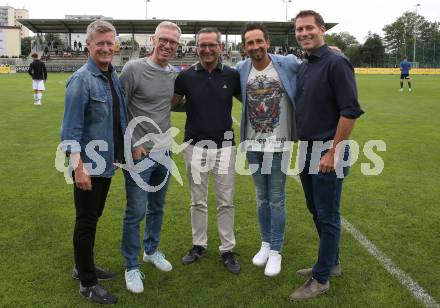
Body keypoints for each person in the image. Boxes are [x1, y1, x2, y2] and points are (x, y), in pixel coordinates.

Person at [289, 10, 364, 301]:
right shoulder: (307, 64)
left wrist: (333, 152)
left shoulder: (336, 62)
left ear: (321, 29)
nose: (304, 33)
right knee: (315, 209)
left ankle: (320, 279)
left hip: (328, 151)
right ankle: (330, 263)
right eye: (299, 29)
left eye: (309, 28)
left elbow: (350, 110)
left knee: (328, 214)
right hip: (307, 149)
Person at [60, 20, 128, 305]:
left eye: (109, 43)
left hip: (106, 163)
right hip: (87, 166)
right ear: (88, 45)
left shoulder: (112, 75)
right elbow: (70, 131)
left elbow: (116, 119)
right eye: (99, 43)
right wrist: (78, 167)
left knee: (93, 217)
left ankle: (82, 265)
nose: (105, 48)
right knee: (86, 222)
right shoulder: (81, 79)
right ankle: (87, 283)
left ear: (115, 45)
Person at [172, 27, 241, 274]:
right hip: (194, 146)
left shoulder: (233, 76)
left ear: (221, 47)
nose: (208, 49)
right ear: (196, 47)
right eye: (203, 45)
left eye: (212, 45)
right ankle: (199, 245)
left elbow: (251, 102)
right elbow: (171, 103)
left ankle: (227, 249)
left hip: (225, 148)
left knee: (226, 201)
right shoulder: (185, 76)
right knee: (197, 201)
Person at [119, 21, 181, 294]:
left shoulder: (172, 74)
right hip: (138, 155)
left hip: (164, 152)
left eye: (173, 42)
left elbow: (168, 105)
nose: (168, 45)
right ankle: (131, 266)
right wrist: (131, 144)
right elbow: (119, 109)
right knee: (135, 212)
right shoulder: (133, 68)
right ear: (153, 40)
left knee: (157, 207)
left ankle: (151, 250)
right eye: (163, 40)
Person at [235, 22, 301, 277]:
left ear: (267, 42)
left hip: (279, 143)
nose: (255, 47)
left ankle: (276, 251)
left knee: (276, 198)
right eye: (250, 43)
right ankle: (264, 244)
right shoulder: (241, 68)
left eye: (258, 41)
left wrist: (336, 53)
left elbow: (316, 66)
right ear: (245, 47)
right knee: (261, 197)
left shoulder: (288, 63)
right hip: (252, 143)